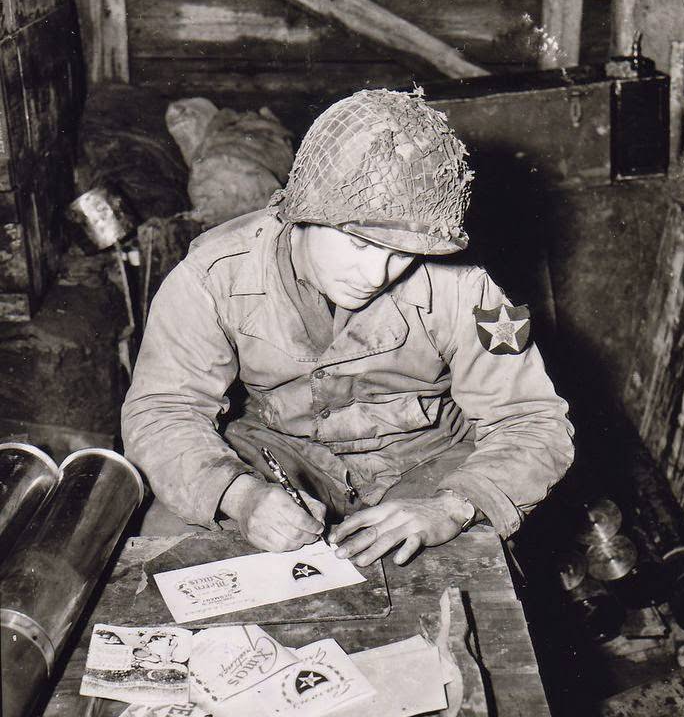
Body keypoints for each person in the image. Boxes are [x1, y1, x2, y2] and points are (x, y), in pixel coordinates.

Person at [122, 88, 573, 568]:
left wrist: (454, 505)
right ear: (304, 212)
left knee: (460, 579)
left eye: (401, 254)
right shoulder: (215, 274)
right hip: (281, 454)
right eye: (359, 244)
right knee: (169, 550)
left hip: (427, 460)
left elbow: (533, 420)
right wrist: (238, 494)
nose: (377, 274)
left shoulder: (466, 286)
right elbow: (163, 409)